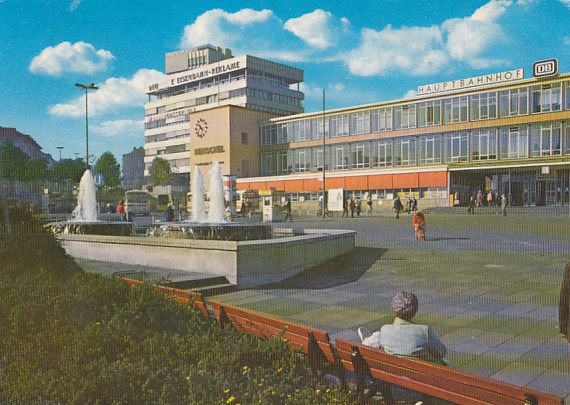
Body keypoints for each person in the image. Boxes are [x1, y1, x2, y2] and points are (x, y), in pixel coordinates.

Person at [361, 292, 447, 403]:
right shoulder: (423, 331)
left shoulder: (385, 330)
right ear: (415, 310)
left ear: (394, 309)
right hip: (425, 377)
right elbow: (441, 352)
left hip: (396, 373)